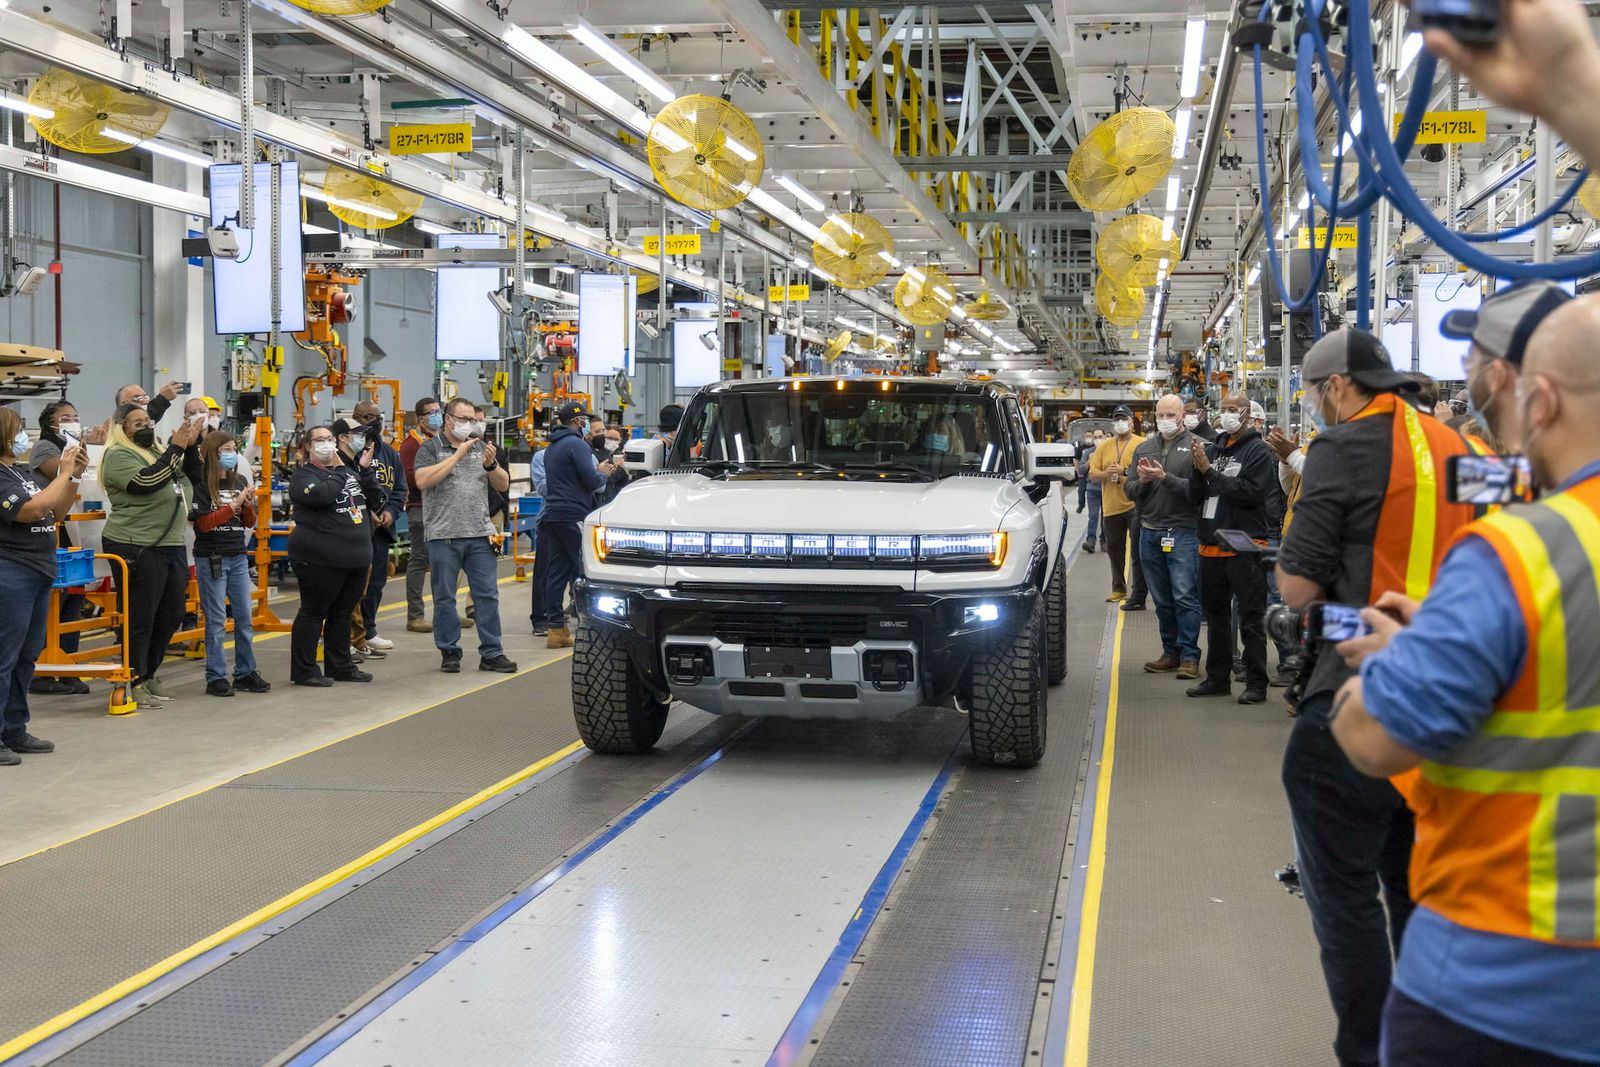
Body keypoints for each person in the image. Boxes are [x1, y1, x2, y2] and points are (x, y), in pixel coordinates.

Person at [1327, 295, 1600, 1065]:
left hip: (1504, 980)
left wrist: (1396, 660)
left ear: (1538, 398)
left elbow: (1374, 736)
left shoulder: (1523, 549)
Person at [1274, 328, 1487, 1067]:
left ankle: (1366, 1051)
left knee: (1344, 898)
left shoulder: (1343, 446)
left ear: (1337, 387)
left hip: (1359, 695)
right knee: (1417, 890)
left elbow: (1300, 587)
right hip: (1454, 701)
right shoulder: (1469, 452)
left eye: (1314, 393)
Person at [99, 403, 201, 708]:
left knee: (171, 612)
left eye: (148, 421)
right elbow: (145, 482)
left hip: (169, 541)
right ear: (122, 428)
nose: (146, 427)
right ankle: (135, 678)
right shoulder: (118, 455)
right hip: (136, 543)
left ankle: (150, 670)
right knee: (140, 615)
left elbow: (190, 479)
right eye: (137, 423)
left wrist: (191, 448)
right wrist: (175, 448)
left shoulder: (158, 452)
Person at [0, 407, 86, 765]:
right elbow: (32, 511)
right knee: (4, 656)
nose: (25, 437)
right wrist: (62, 472)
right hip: (11, 572)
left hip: (38, 570)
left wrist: (74, 477)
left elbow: (57, 511)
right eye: (20, 430)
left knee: (26, 655)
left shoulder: (22, 473)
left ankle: (14, 728)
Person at [412, 398, 517, 674]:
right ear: (448, 419)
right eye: (463, 419)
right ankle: (449, 651)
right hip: (443, 535)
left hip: (480, 534)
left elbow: (503, 484)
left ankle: (492, 653)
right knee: (445, 597)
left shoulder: (480, 446)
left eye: (472, 420)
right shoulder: (430, 448)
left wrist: (492, 465)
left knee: (487, 596)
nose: (469, 425)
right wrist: (456, 456)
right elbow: (422, 481)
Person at [1188, 393, 1277, 704]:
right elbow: (1195, 494)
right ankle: (1217, 678)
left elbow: (1250, 493)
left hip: (1245, 544)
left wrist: (1209, 473)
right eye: (1223, 409)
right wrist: (1198, 469)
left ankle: (1256, 683)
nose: (1226, 415)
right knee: (1216, 618)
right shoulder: (1212, 449)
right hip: (1211, 544)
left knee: (1251, 618)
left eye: (1232, 410)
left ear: (1246, 414)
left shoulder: (1258, 451)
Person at [287, 425, 383, 687]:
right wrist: (343, 471)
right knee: (314, 612)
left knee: (342, 613)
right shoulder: (304, 476)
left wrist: (363, 471)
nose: (326, 444)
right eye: (319, 440)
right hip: (319, 559)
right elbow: (321, 495)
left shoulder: (349, 473)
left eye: (329, 439)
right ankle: (305, 670)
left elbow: (375, 500)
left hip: (356, 557)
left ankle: (340, 665)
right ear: (308, 446)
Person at [1125, 394, 1204, 679]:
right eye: (1161, 415)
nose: (1165, 420)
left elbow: (1199, 492)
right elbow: (1129, 490)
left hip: (1182, 530)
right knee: (1161, 598)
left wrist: (1164, 478)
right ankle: (1170, 652)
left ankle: (1189, 657)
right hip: (1149, 530)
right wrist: (1144, 482)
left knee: (1184, 595)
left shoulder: (1198, 447)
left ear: (1182, 416)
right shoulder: (1145, 448)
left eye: (1171, 415)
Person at [189, 429, 271, 697]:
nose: (231, 454)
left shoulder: (240, 480)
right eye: (225, 449)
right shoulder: (201, 485)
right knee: (215, 621)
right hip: (212, 556)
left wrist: (246, 505)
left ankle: (246, 672)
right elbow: (203, 523)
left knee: (244, 618)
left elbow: (249, 522)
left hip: (237, 555)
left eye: (233, 449)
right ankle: (215, 676)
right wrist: (232, 506)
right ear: (213, 453)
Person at [537, 401, 614, 648]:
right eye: (586, 422)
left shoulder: (552, 448)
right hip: (574, 516)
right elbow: (592, 481)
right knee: (587, 569)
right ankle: (595, 625)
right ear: (579, 422)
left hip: (553, 516)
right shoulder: (577, 446)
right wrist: (604, 473)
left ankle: (555, 628)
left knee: (557, 573)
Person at [27, 401, 90, 695]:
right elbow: (62, 475)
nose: (72, 421)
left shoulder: (77, 447)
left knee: (74, 598)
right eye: (65, 418)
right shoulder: (45, 448)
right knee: (51, 600)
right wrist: (76, 458)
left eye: (75, 417)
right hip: (48, 530)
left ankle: (68, 666)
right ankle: (41, 669)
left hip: (69, 528)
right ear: (50, 423)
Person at [349, 402, 407, 654]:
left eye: (377, 417)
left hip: (382, 531)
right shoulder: (349, 452)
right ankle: (348, 635)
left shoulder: (389, 454)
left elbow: (400, 489)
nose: (374, 421)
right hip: (354, 531)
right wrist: (366, 512)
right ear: (356, 419)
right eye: (368, 417)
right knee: (352, 586)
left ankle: (369, 630)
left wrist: (389, 513)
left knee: (376, 583)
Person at [400, 395, 447, 634]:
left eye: (439, 410)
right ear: (420, 419)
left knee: (444, 562)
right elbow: (412, 478)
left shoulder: (439, 440)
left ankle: (446, 612)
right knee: (419, 561)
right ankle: (415, 616)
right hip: (420, 509)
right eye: (432, 412)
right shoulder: (412, 444)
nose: (437, 415)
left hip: (441, 508)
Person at [1090, 406, 1145, 604]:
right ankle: (1118, 589)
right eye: (1117, 419)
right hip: (1111, 507)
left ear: (1131, 422)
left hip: (1135, 506)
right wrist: (1107, 474)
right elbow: (1092, 473)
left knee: (1139, 552)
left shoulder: (1142, 444)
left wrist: (1124, 471)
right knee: (1115, 552)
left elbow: (1145, 471)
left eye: (1124, 419)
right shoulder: (1104, 446)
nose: (1120, 423)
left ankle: (1139, 593)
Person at [1077, 430, 1106, 553]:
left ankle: (1104, 541)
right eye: (1096, 437)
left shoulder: (1109, 451)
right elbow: (1081, 471)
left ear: (1104, 437)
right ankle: (1091, 541)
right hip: (1092, 490)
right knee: (1093, 516)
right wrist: (1089, 461)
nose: (1098, 439)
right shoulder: (1087, 452)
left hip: (1106, 489)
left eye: (1100, 436)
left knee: (1106, 518)